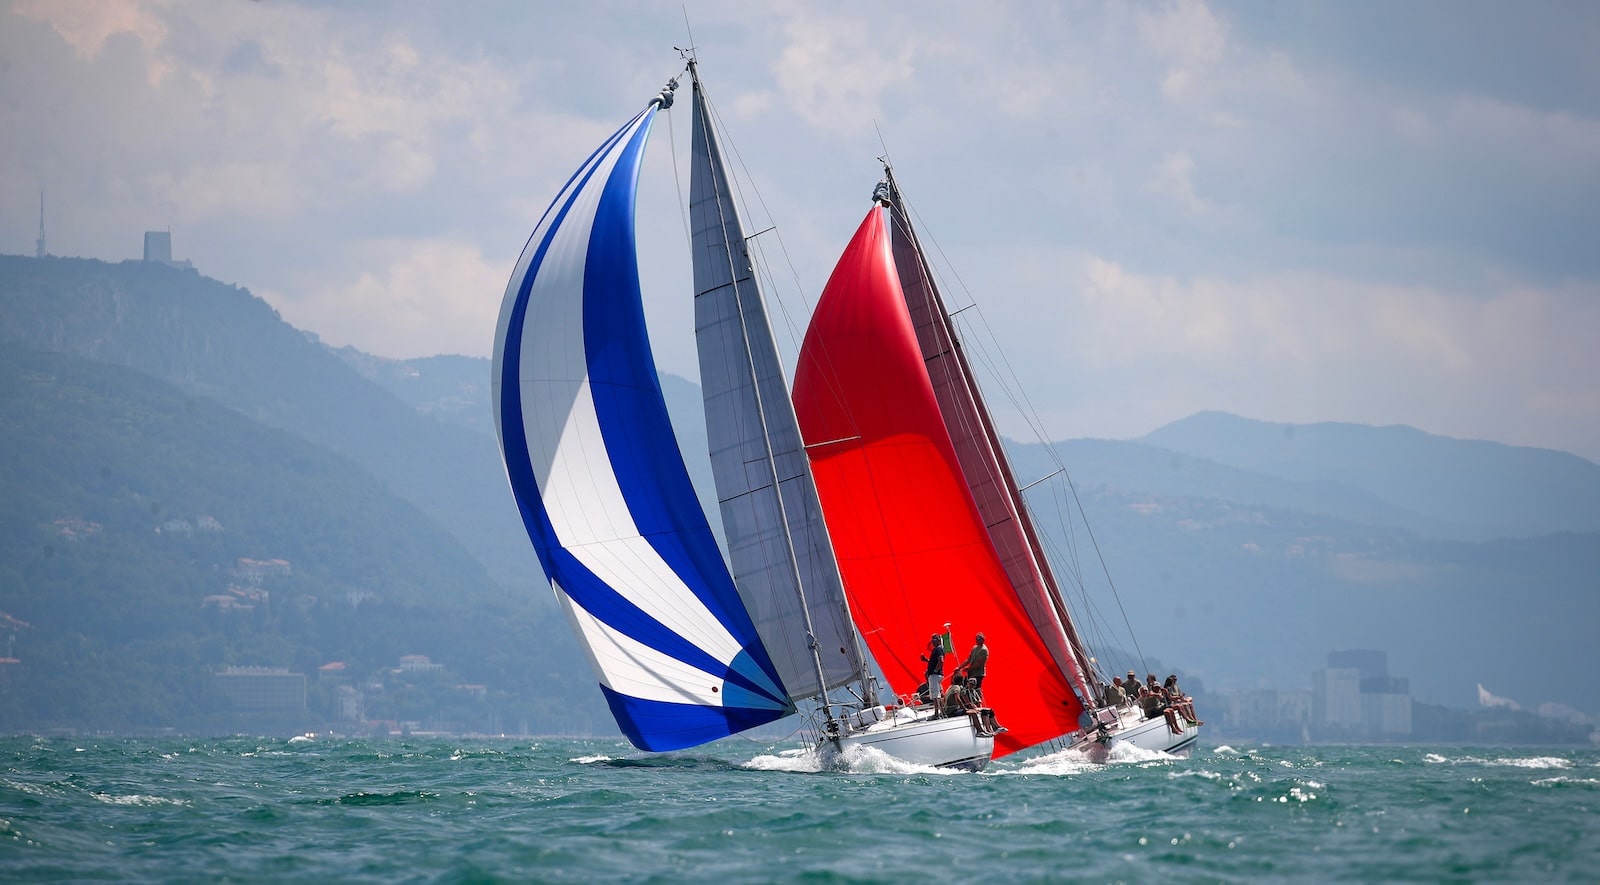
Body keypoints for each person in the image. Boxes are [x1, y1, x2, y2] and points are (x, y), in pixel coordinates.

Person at [919, 633, 945, 709]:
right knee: (939, 693)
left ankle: (937, 713)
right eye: (932, 640)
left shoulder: (938, 649)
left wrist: (935, 670)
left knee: (935, 695)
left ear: (939, 640)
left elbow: (941, 660)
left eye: (934, 640)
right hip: (936, 675)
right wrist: (926, 660)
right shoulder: (936, 650)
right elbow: (934, 661)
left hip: (935, 675)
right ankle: (942, 710)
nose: (933, 642)